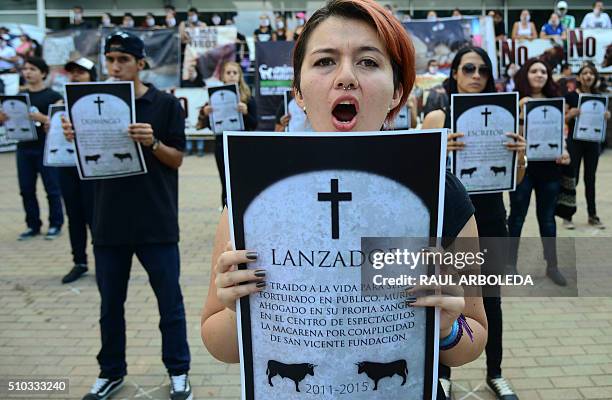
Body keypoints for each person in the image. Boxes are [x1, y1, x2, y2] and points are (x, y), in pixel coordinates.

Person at [201, 2, 488, 399]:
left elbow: (475, 336)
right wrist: (237, 310)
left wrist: (448, 328)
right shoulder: (255, 196)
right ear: (298, 92)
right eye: (324, 61)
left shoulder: (444, 193)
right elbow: (217, 343)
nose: (346, 77)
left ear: (397, 91)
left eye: (369, 62)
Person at [61, 32, 192, 400]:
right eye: (110, 59)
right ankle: (111, 372)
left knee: (170, 304)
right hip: (108, 221)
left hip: (156, 220)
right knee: (109, 307)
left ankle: (179, 370)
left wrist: (152, 143)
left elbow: (177, 158)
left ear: (140, 63)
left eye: (123, 60)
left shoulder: (164, 104)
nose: (115, 67)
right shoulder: (87, 104)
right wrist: (76, 136)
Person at [422, 46, 525, 400]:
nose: (476, 75)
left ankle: (495, 371)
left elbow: (517, 179)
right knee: (444, 298)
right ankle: (442, 373)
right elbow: (419, 170)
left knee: (489, 301)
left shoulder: (504, 116)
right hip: (451, 220)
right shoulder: (438, 116)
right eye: (468, 68)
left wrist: (519, 156)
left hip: (491, 215)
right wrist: (439, 149)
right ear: (455, 73)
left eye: (483, 69)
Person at [509, 58, 571, 286]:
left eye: (543, 71)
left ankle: (552, 266)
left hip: (549, 168)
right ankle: (509, 264)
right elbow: (510, 133)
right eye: (534, 71)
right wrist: (520, 110)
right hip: (522, 167)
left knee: (547, 219)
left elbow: (560, 133)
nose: (539, 75)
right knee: (516, 218)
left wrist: (564, 151)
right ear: (526, 74)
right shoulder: (515, 102)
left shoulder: (556, 103)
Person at [0, 57, 63, 241]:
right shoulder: (17, 97)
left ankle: (55, 223)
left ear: (43, 73)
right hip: (24, 147)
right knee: (26, 189)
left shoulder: (53, 96)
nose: (28, 72)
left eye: (33, 69)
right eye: (25, 69)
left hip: (46, 147)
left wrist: (41, 117)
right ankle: (32, 225)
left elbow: (58, 122)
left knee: (52, 188)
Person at [196, 61, 257, 206]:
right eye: (228, 73)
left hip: (243, 146)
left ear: (239, 76)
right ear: (223, 76)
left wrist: (246, 113)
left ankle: (243, 214)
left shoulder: (248, 97)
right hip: (221, 145)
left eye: (234, 73)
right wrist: (206, 114)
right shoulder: (214, 97)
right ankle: (226, 216)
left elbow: (254, 125)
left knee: (243, 182)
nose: (231, 76)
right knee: (226, 183)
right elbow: (211, 127)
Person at [58, 58, 97, 284]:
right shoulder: (59, 102)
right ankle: (79, 261)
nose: (75, 76)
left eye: (81, 72)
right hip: (67, 166)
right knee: (74, 216)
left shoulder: (97, 102)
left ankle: (102, 263)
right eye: (72, 72)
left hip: (94, 168)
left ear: (91, 76)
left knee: (95, 216)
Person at [561, 63, 611, 229]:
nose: (588, 76)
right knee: (571, 178)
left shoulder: (599, 97)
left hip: (592, 142)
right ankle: (567, 215)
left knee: (591, 178)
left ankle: (592, 215)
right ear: (578, 77)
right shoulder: (570, 96)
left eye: (591, 73)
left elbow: (601, 122)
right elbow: (563, 120)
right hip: (575, 142)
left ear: (595, 77)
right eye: (585, 73)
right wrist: (570, 114)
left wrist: (605, 116)